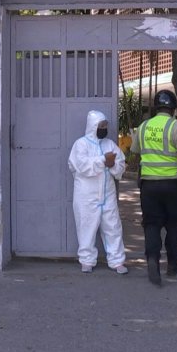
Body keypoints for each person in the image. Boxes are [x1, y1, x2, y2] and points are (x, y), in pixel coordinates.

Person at [131, 90, 177, 286]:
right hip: (173, 185)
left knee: (151, 224)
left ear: (156, 106)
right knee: (174, 225)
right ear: (173, 108)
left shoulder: (143, 127)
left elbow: (135, 154)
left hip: (149, 186)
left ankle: (152, 260)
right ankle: (173, 265)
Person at [68, 110, 128, 275]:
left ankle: (117, 261)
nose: (104, 128)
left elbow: (121, 164)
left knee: (113, 227)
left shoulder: (109, 144)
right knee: (86, 227)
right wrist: (103, 161)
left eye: (105, 125)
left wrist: (113, 166)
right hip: (86, 196)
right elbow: (81, 166)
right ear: (93, 127)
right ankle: (86, 260)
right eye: (101, 126)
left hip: (107, 195)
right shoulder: (81, 144)